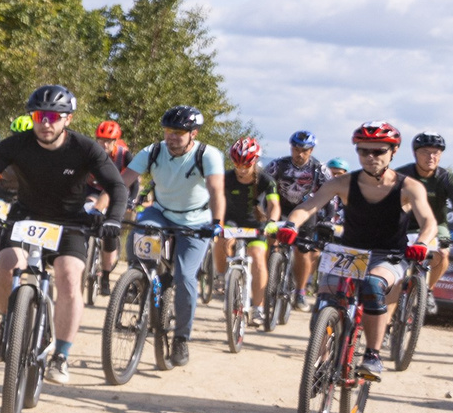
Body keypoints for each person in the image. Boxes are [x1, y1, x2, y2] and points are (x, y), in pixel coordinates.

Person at [0, 83, 124, 382]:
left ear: (68, 119)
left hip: (70, 222)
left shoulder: (85, 148)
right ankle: (7, 322)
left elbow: (117, 186)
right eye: (39, 116)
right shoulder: (16, 144)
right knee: (6, 267)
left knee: (69, 276)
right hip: (26, 216)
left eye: (53, 117)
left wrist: (114, 220)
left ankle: (61, 355)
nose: (45, 123)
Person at [275, 122, 439, 379]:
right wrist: (291, 225)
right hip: (349, 253)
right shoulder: (343, 182)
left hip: (388, 255)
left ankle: (372, 355)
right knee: (325, 303)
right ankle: (322, 363)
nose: (370, 157)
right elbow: (309, 206)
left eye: (378, 151)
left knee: (373, 286)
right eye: (364, 151)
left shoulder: (409, 187)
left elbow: (429, 221)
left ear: (393, 152)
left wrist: (422, 242)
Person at [126, 105, 227, 366]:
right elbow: (123, 180)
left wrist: (216, 223)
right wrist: (106, 206)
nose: (171, 136)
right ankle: (135, 280)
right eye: (168, 130)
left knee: (184, 277)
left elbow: (216, 191)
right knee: (140, 229)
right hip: (161, 212)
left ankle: (181, 338)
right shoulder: (153, 151)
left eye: (179, 132)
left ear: (193, 134)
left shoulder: (207, 155)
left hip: (196, 221)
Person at [398, 133, 453, 300]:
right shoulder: (401, 174)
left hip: (436, 225)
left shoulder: (447, 178)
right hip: (405, 224)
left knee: (443, 253)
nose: (431, 157)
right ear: (415, 153)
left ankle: (427, 291)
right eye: (425, 152)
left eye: (436, 152)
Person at [270, 130, 334, 308]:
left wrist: (328, 218)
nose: (299, 154)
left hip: (306, 212)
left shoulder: (319, 169)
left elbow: (331, 195)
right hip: (281, 209)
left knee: (302, 251)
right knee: (271, 242)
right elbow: (263, 186)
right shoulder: (278, 165)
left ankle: (300, 291)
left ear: (311, 150)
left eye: (304, 150)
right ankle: (269, 282)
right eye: (296, 149)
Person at [219, 134, 280, 314]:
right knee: (221, 241)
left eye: (246, 165)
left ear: (254, 162)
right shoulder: (226, 178)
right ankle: (221, 277)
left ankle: (258, 307)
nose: (241, 169)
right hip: (231, 221)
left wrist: (272, 222)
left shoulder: (267, 180)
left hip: (255, 224)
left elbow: (274, 205)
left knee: (258, 256)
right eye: (237, 164)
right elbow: (216, 200)